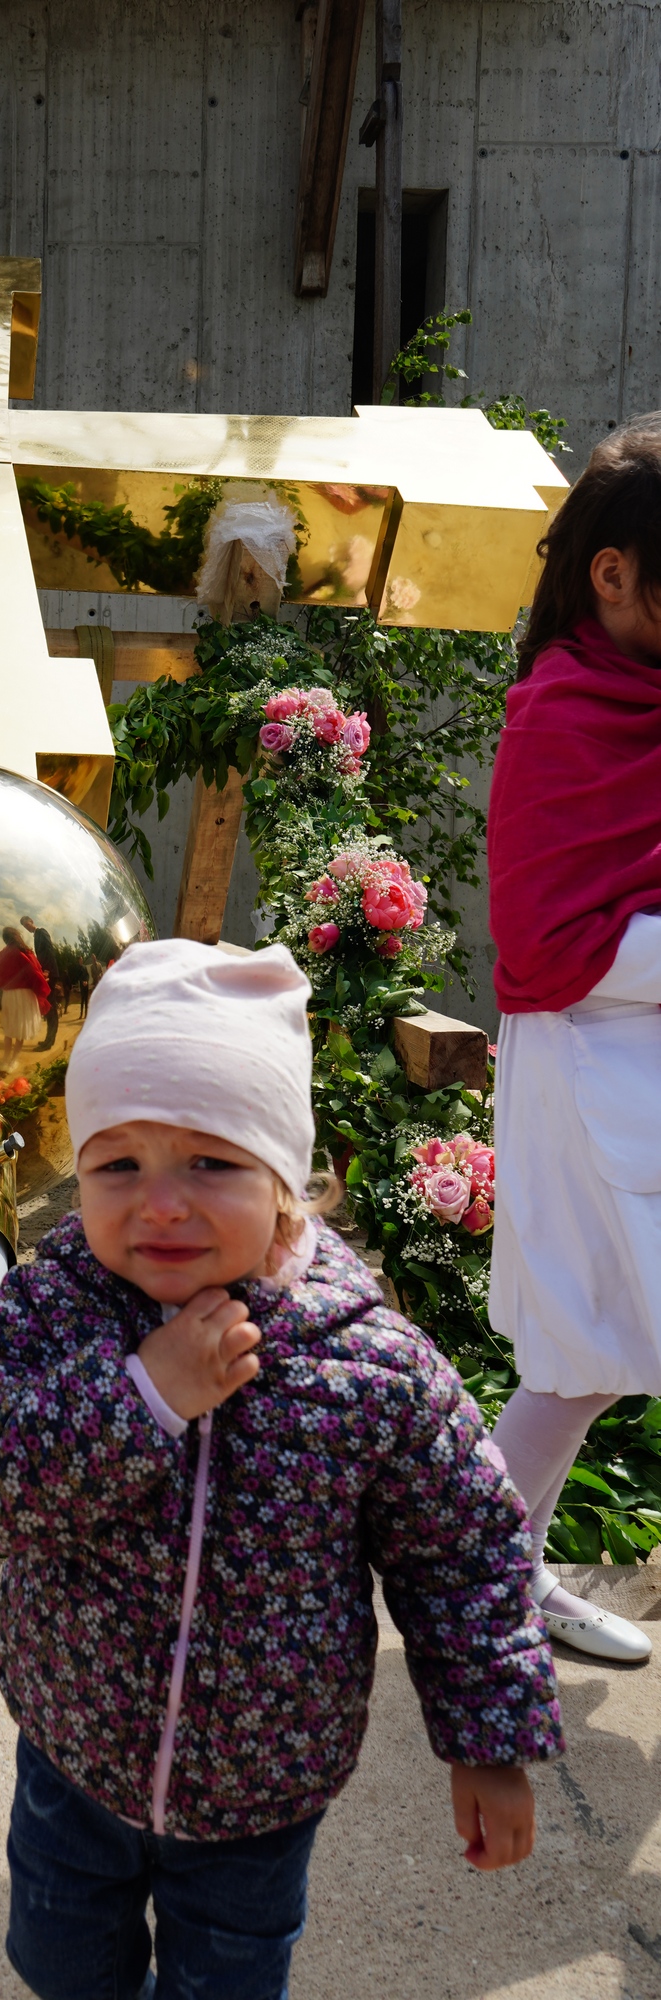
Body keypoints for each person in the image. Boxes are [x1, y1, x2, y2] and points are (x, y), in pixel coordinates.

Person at [0, 941, 559, 2000]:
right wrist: (139, 1392)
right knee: (58, 1960)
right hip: (73, 1749)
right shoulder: (52, 1307)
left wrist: (487, 1740)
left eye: (210, 1162)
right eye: (117, 1163)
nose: (160, 1203)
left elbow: (462, 1550)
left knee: (226, 1980)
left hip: (262, 1792)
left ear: (286, 1181)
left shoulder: (365, 1361)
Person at [485, 416, 661, 1664]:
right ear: (614, 574)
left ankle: (493, 1580)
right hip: (592, 1078)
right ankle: (479, 1590)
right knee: (575, 1356)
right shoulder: (561, 715)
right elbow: (547, 947)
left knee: (586, 1360)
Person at [0, 924, 50, 1075]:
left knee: (9, 1029)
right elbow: (34, 971)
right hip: (24, 995)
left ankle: (5, 1060)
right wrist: (43, 981)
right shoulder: (25, 951)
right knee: (20, 1031)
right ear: (17, 936)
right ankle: (13, 1061)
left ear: (5, 939)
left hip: (8, 995)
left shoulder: (1, 954)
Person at [21, 914, 60, 1050]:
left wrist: (47, 970)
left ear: (32, 922)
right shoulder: (36, 936)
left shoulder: (41, 932)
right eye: (25, 927)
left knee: (51, 1005)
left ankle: (49, 1041)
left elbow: (49, 950)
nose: (27, 928)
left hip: (49, 972)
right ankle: (48, 1040)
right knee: (49, 1004)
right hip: (46, 971)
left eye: (27, 925)